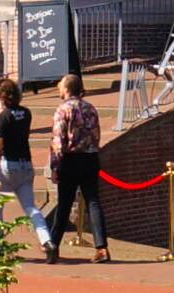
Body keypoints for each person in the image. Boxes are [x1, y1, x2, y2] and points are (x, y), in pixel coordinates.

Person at [0, 76, 55, 254]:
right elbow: (15, 121)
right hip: (26, 166)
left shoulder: (1, 118)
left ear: (1, 97)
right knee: (30, 207)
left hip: (7, 167)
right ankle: (47, 240)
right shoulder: (26, 113)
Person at [46, 71, 109, 264]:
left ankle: (53, 245)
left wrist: (55, 166)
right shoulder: (91, 108)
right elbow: (97, 135)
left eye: (60, 84)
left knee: (64, 204)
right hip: (90, 157)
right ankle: (102, 248)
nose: (58, 86)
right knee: (93, 201)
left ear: (66, 88)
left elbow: (58, 140)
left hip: (70, 159)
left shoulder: (63, 109)